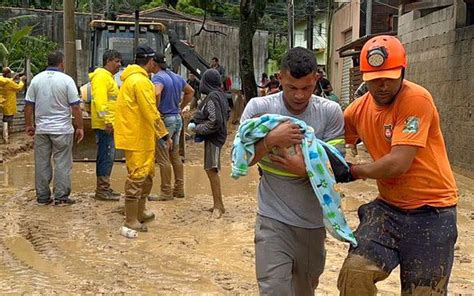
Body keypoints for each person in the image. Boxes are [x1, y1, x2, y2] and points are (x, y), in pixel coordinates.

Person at [337, 35, 458, 295]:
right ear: (364, 78)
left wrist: (354, 171)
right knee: (355, 272)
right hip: (388, 209)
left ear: (403, 71)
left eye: (389, 77)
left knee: (424, 292)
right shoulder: (357, 111)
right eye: (374, 79)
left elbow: (398, 163)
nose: (382, 85)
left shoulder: (416, 99)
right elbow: (329, 144)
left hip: (433, 212)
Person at [239, 47, 345, 295]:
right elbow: (241, 159)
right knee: (273, 289)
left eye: (306, 88)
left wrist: (305, 169)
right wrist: (270, 140)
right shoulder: (259, 109)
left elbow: (338, 169)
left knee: (305, 289)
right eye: (291, 87)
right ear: (280, 78)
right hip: (272, 218)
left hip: (312, 224)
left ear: (316, 79)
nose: (298, 96)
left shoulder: (330, 112)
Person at [114, 45, 169, 231]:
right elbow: (150, 111)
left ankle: (140, 211)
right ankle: (130, 219)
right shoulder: (141, 82)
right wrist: (164, 134)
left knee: (146, 174)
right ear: (151, 61)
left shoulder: (132, 80)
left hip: (138, 135)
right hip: (137, 136)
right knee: (137, 176)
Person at [24, 51, 84, 206]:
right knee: (62, 163)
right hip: (62, 130)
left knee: (42, 163)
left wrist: (29, 125)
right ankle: (61, 197)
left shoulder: (36, 80)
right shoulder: (66, 80)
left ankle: (43, 197)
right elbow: (76, 107)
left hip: (42, 130)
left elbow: (28, 105)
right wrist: (80, 127)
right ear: (61, 63)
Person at [187, 69, 230, 219]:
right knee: (210, 169)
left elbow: (214, 120)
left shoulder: (212, 97)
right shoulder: (220, 94)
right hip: (218, 135)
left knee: (212, 169)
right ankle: (218, 204)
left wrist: (197, 129)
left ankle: (218, 206)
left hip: (214, 137)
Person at [151, 53, 194, 201]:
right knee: (175, 155)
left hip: (166, 119)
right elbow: (190, 92)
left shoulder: (158, 77)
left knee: (163, 157)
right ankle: (179, 189)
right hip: (177, 118)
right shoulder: (176, 77)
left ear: (154, 64)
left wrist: (155, 109)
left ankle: (166, 192)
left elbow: (157, 92)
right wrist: (180, 107)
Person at [89, 49, 122, 201]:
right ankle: (102, 190)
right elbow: (100, 101)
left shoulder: (108, 78)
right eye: (116, 61)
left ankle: (105, 187)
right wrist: (107, 121)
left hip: (109, 124)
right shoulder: (102, 77)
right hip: (105, 125)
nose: (119, 65)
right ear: (108, 61)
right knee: (106, 156)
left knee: (108, 156)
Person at [0, 67, 26, 143]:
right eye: (10, 73)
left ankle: (5, 135)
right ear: (7, 74)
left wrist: (13, 78)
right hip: (9, 103)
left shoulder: (2, 80)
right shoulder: (9, 82)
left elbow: (7, 82)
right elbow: (19, 88)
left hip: (3, 101)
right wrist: (22, 81)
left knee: (5, 118)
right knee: (9, 120)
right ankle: (6, 136)